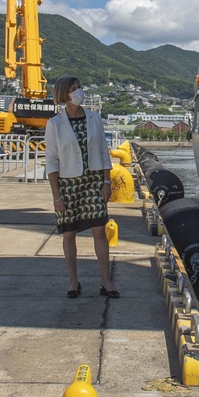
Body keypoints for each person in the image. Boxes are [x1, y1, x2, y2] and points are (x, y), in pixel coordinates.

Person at [44, 75, 118, 299]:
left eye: (79, 88)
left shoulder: (95, 118)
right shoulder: (55, 124)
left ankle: (106, 281)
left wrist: (107, 182)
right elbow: (52, 161)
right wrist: (56, 195)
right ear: (64, 95)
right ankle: (73, 282)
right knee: (69, 233)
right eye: (74, 89)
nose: (79, 92)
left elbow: (104, 153)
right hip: (68, 183)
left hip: (94, 180)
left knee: (99, 230)